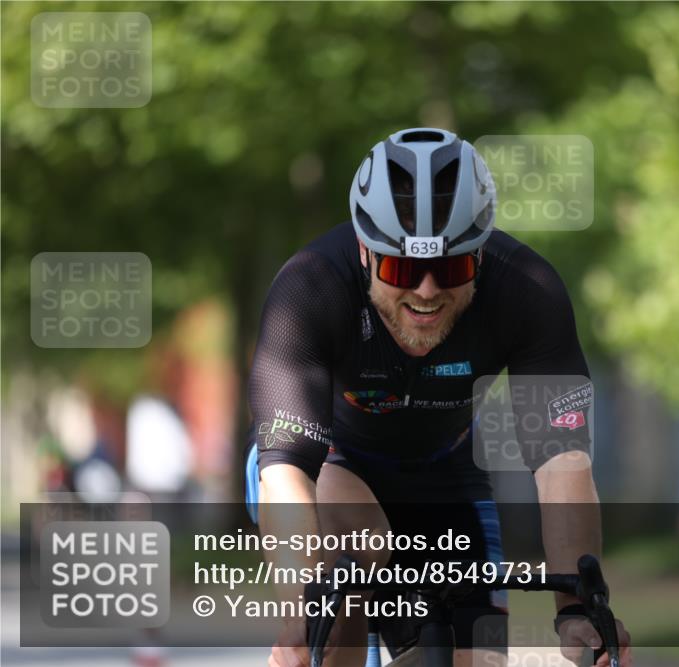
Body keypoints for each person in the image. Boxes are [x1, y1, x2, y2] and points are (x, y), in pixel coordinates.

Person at [244, 128, 630, 667]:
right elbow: (285, 475)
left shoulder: (527, 290)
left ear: (480, 255)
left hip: (446, 477)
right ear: (363, 252)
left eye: (449, 268)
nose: (426, 291)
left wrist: (576, 608)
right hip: (329, 464)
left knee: (485, 658)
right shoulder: (311, 288)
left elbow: (561, 460)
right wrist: (297, 613)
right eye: (402, 268)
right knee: (337, 615)